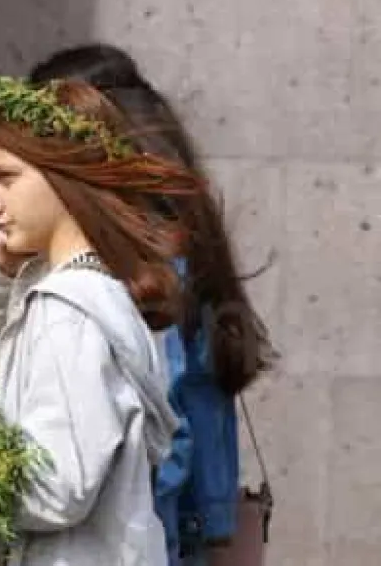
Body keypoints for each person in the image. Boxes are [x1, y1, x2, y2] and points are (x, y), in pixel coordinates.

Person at [0, 76, 205, 565]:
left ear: (62, 178)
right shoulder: (80, 291)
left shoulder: (68, 312)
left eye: (6, 178)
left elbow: (59, 487)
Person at [27, 44, 276, 566]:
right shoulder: (180, 225)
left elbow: (166, 434)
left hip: (165, 538)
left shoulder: (142, 255)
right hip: (191, 530)